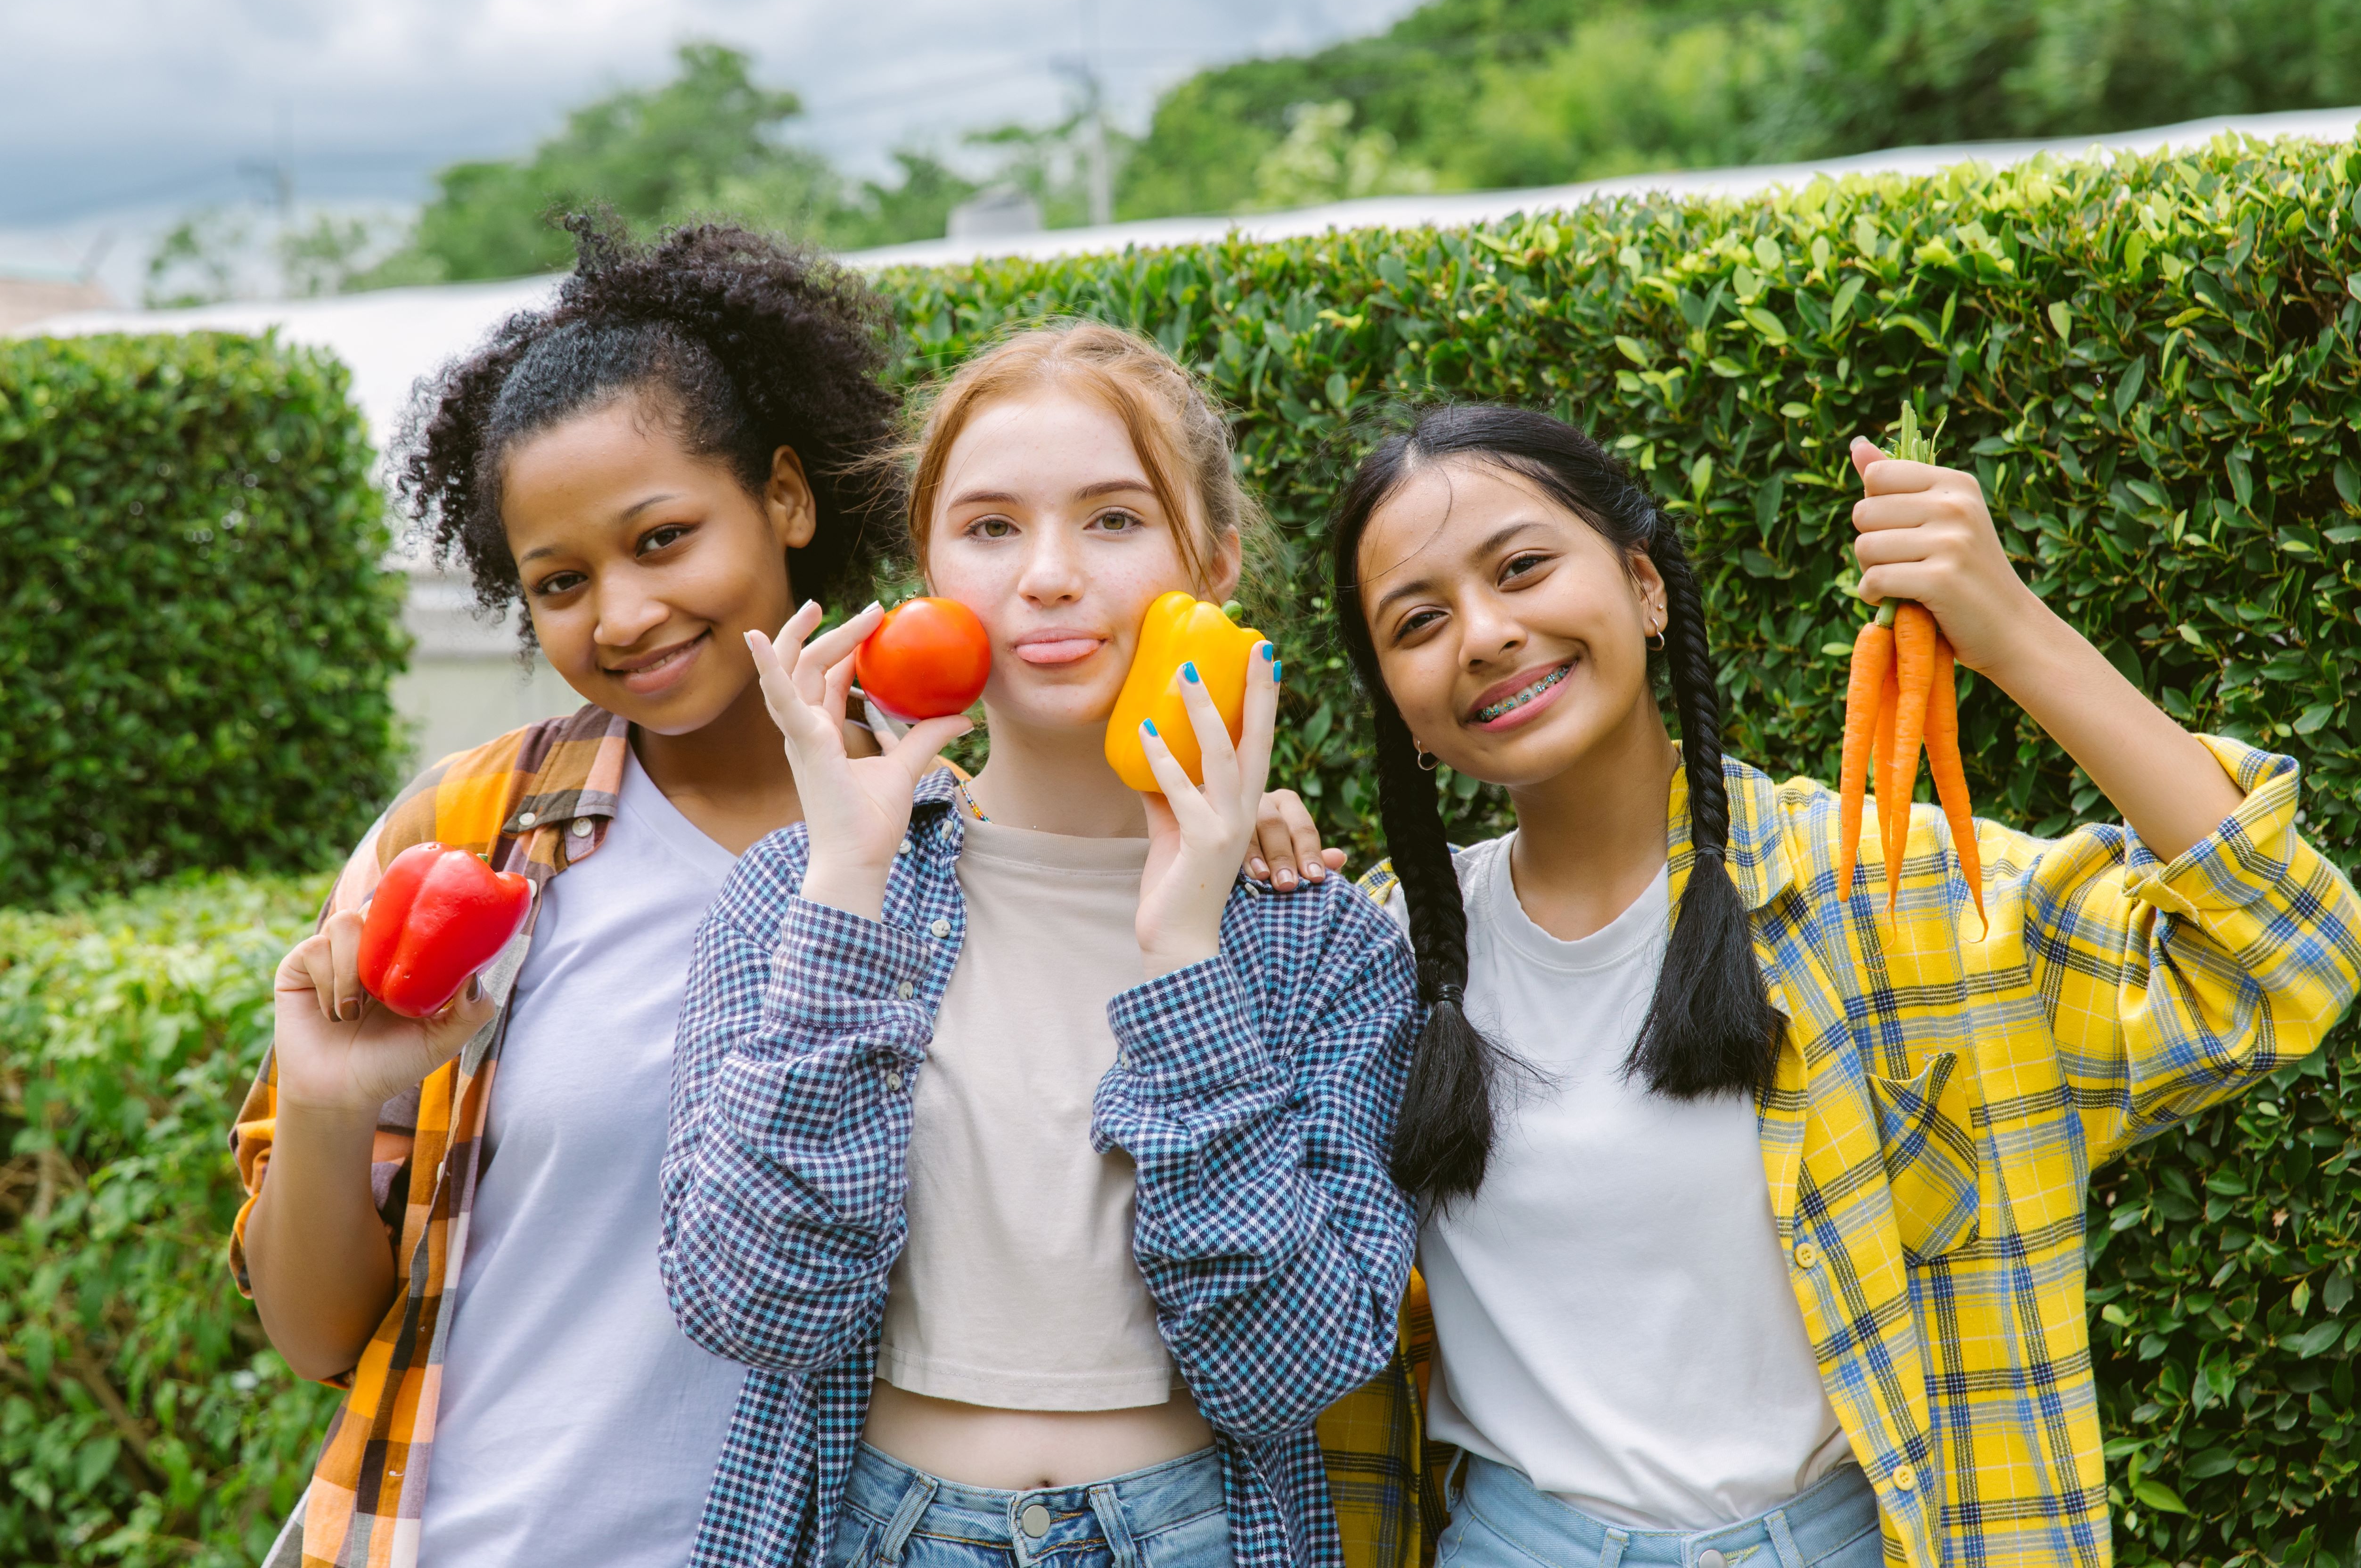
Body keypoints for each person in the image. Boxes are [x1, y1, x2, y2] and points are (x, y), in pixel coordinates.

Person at [232, 228, 1342, 1568]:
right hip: (482, 1529)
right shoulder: (472, 841)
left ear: (788, 499)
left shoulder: (932, 835)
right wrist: (333, 1100)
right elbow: (314, 1331)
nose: (625, 612)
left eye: (664, 537)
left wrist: (1230, 843)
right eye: (559, 584)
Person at [1321, 404, 2361, 1568]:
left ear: (1646, 586)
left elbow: (2285, 954)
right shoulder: (1367, 964)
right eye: (1419, 620)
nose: (1484, 632)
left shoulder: (1873, 889)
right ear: (1397, 700)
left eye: (1522, 566)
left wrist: (2010, 628)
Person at [658, 322, 1422, 1568]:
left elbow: (1293, 1366)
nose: (1049, 575)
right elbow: (750, 1306)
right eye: (991, 527)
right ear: (929, 572)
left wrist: (1183, 954)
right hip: (878, 1529)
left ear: (1211, 563)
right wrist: (846, 893)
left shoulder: (1322, 943)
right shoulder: (794, 898)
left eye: (1114, 520)